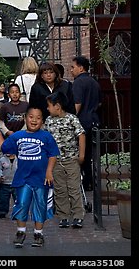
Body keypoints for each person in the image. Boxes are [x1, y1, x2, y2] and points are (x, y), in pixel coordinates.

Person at [0, 106, 59, 248]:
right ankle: (21, 232)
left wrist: (49, 172)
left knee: (40, 205)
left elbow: (53, 155)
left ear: (42, 121)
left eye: (38, 118)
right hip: (23, 179)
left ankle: (38, 233)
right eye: (31, 117)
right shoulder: (17, 136)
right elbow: (4, 147)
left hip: (41, 179)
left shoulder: (46, 136)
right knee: (21, 204)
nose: (34, 120)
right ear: (25, 118)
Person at [44, 91, 86, 229]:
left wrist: (81, 155)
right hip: (55, 161)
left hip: (71, 159)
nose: (47, 108)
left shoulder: (72, 119)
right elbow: (46, 139)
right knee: (60, 189)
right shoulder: (49, 121)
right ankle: (63, 216)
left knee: (74, 188)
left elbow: (81, 135)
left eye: (49, 106)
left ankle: (78, 216)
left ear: (58, 106)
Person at [70, 56, 102, 191]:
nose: (71, 70)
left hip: (82, 122)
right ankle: (91, 181)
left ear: (81, 68)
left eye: (73, 67)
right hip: (95, 120)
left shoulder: (78, 83)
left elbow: (77, 103)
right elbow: (100, 102)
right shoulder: (94, 82)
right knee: (92, 154)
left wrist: (71, 119)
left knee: (82, 154)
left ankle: (85, 182)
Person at [0, 152, 17, 218]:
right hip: (5, 183)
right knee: (3, 199)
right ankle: (2, 211)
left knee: (17, 199)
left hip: (16, 183)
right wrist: (0, 175)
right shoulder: (2, 159)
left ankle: (17, 212)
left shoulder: (18, 159)